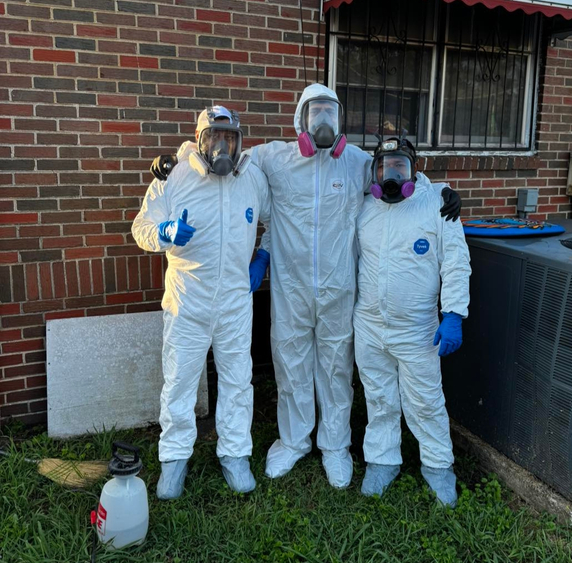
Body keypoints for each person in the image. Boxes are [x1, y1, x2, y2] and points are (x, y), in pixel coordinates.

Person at [149, 84, 462, 489]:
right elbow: (218, 154)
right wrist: (175, 159)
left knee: (335, 369)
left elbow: (398, 175)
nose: (323, 124)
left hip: (338, 288)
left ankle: (335, 447)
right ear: (299, 119)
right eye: (315, 114)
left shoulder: (355, 162)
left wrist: (438, 191)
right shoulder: (274, 158)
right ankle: (294, 441)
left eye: (330, 113)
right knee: (291, 365)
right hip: (291, 287)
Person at [132, 106, 271, 499]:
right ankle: (174, 460)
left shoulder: (251, 179)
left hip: (234, 303)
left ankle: (235, 454)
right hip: (187, 301)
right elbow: (141, 228)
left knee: (237, 382)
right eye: (214, 138)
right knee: (179, 383)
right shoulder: (174, 175)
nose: (222, 146)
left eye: (229, 138)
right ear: (199, 140)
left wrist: (263, 255)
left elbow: (277, 219)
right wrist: (165, 231)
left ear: (239, 141)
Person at [354, 135, 471, 507]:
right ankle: (382, 461)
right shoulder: (364, 207)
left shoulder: (438, 206)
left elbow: (455, 263)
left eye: (400, 167)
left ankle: (438, 468)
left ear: (415, 169)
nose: (391, 175)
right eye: (385, 167)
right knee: (379, 399)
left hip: (418, 329)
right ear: (375, 171)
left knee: (425, 403)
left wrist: (453, 313)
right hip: (369, 325)